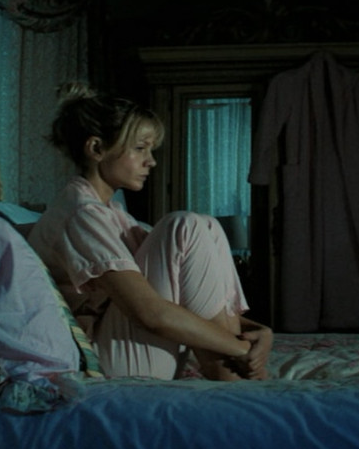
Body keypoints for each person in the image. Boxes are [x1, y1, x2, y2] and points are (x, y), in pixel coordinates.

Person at [28, 83, 271, 381]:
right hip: (100, 360)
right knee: (184, 226)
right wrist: (239, 348)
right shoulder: (80, 212)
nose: (151, 161)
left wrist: (258, 332)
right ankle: (239, 380)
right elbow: (150, 313)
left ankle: (236, 380)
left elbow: (187, 298)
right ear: (96, 149)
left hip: (123, 346)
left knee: (206, 225)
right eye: (140, 148)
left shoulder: (112, 213)